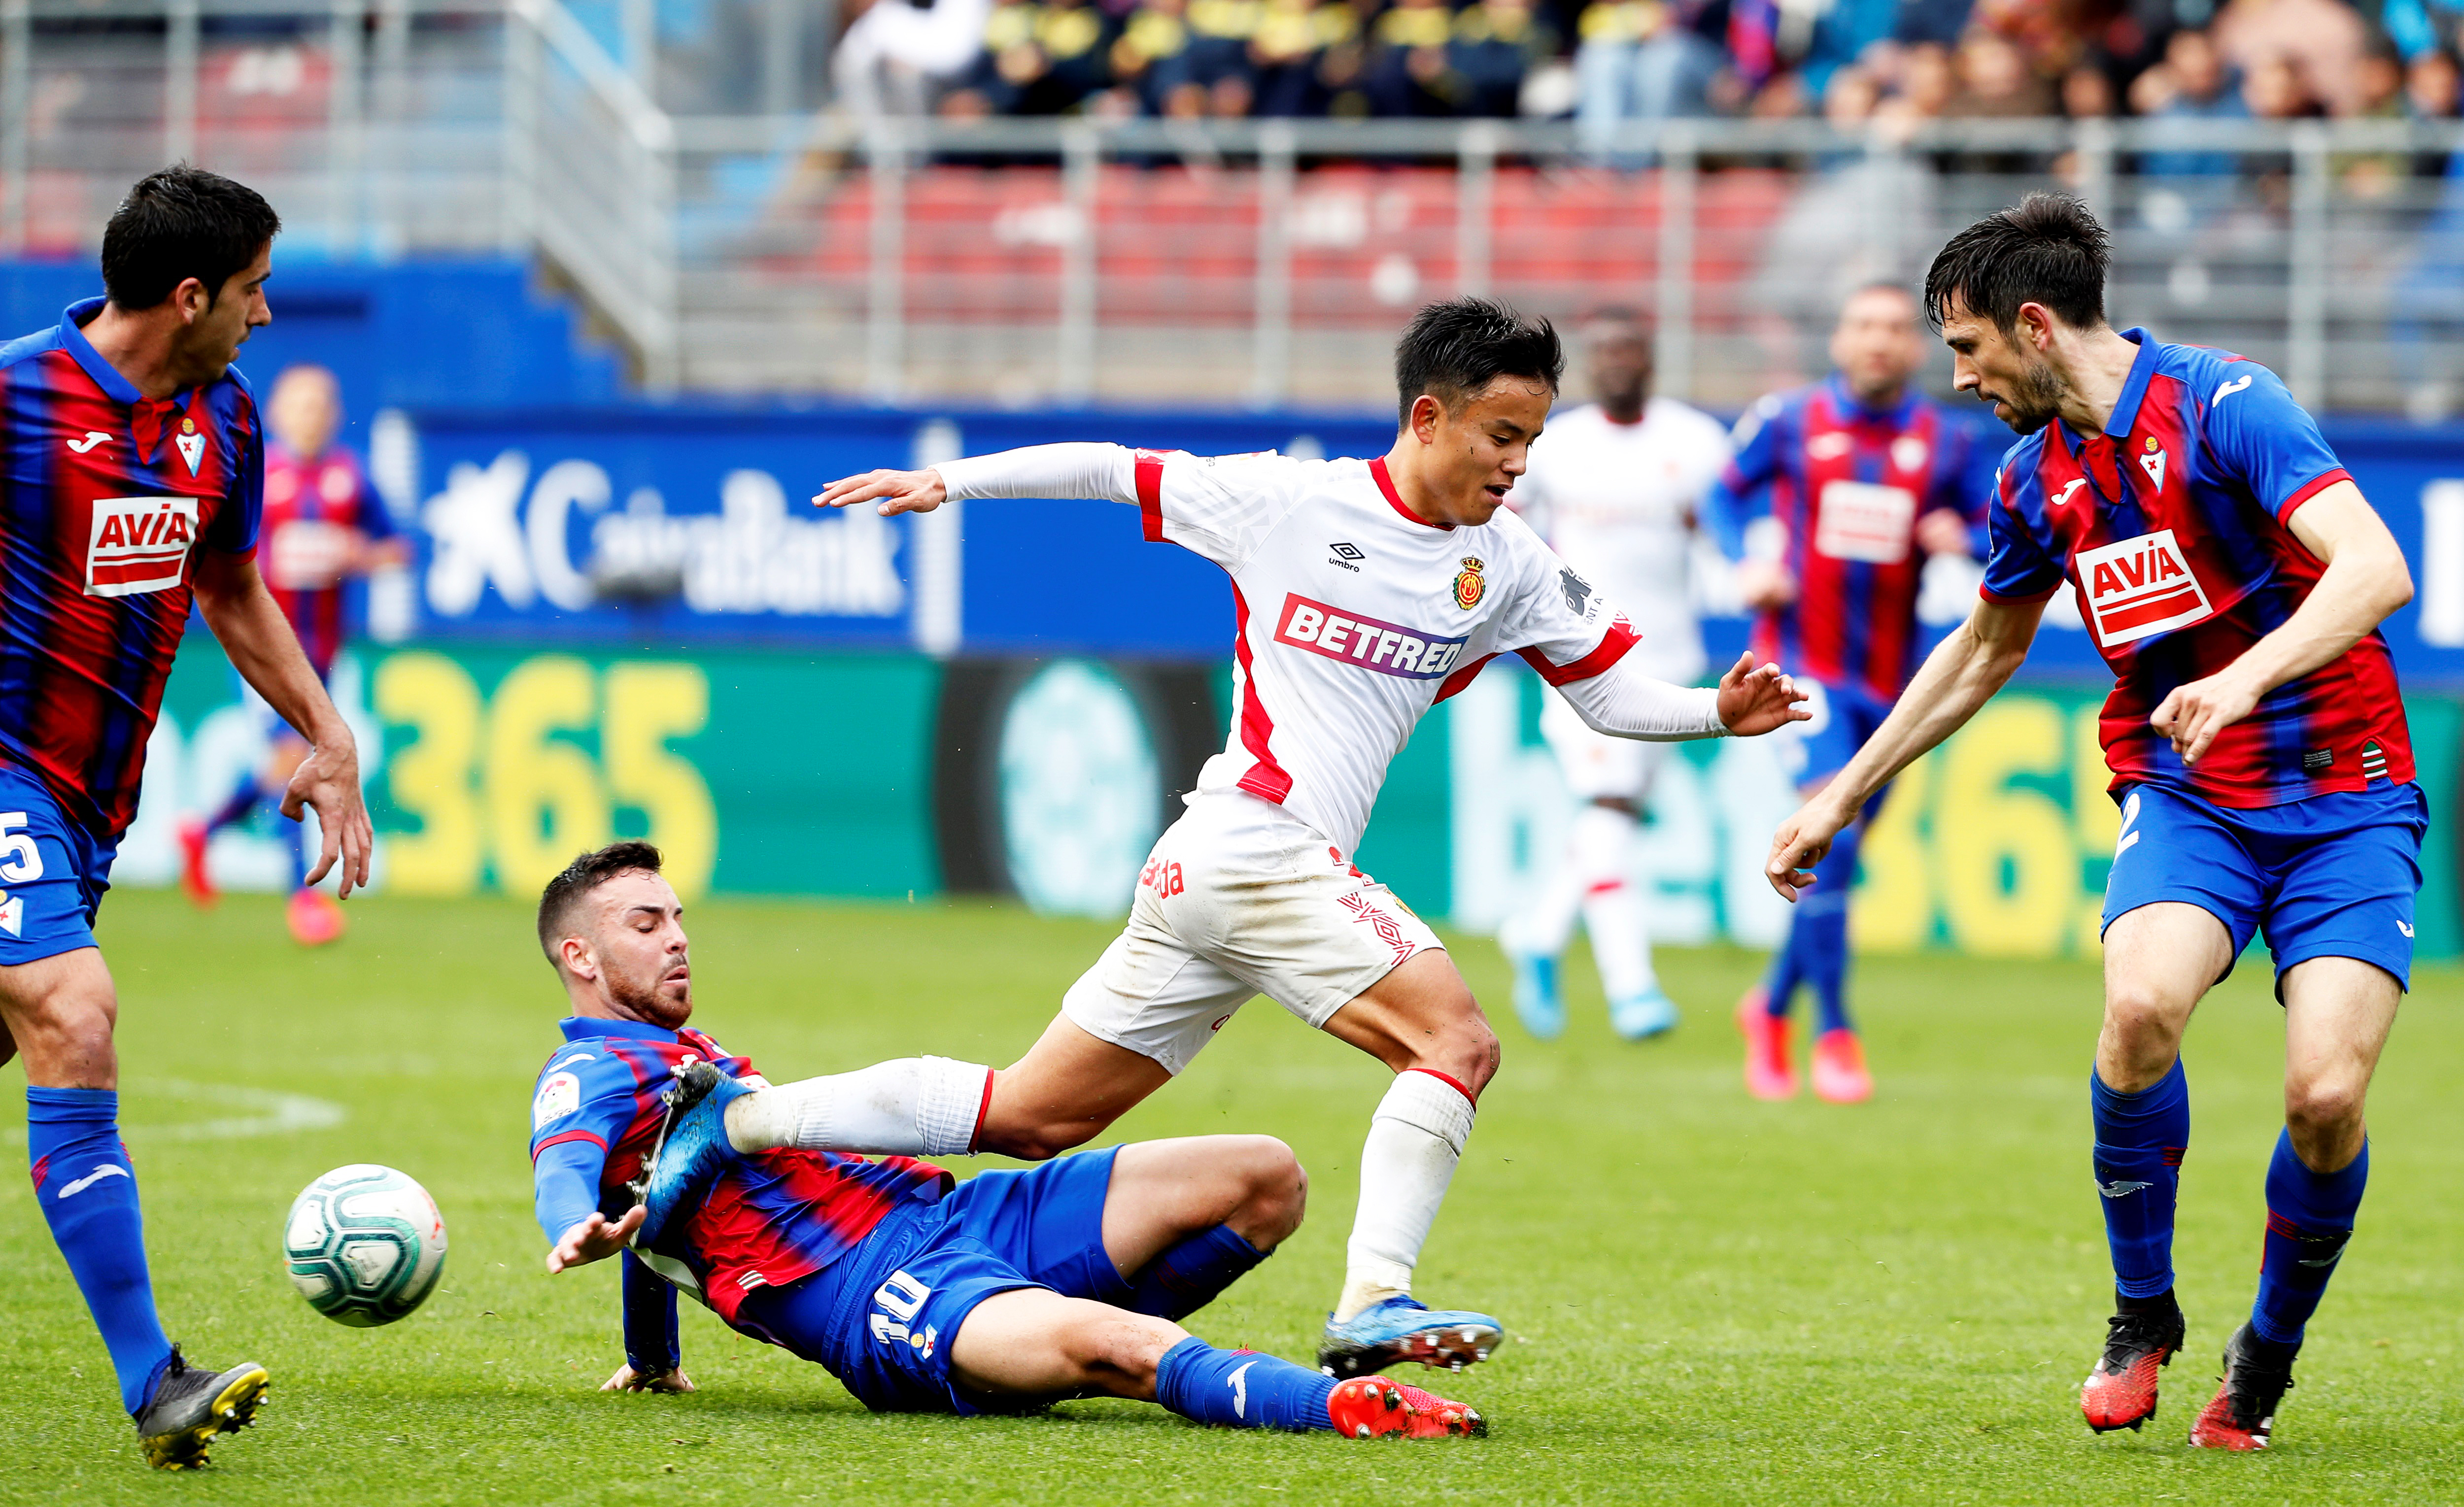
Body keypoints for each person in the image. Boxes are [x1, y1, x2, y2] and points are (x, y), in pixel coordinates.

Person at [795, 297, 1809, 1381]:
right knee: (1455, 1043)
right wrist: (953, 482)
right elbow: (1113, 467)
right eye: (1502, 435)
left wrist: (1716, 711)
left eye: (1532, 440)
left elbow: (1608, 697)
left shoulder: (1505, 561)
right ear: (1429, 417)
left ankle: (739, 1122)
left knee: (1032, 1113)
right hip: (1255, 844)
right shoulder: (1286, 499)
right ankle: (1374, 1296)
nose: (1519, 463)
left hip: (1212, 871)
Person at [1766, 193, 2421, 1451]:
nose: (1957, 380)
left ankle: (2264, 1359)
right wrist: (1839, 794)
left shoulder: (2227, 404)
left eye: (1964, 350)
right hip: (2188, 795)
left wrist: (2239, 679)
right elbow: (1981, 649)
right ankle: (2140, 1314)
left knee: (2324, 1097)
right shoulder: (2035, 479)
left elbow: (2376, 567)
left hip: (2347, 795)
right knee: (2136, 1012)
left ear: (2032, 327)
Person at [528, 841, 1484, 1439]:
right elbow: (572, 1167)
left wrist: (651, 1356)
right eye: (646, 923)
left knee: (1263, 1176)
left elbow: (650, 1209)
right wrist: (571, 1222)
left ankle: (1055, 1340)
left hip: (953, 1214)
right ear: (579, 954)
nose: (678, 938)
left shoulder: (680, 1053)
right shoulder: (595, 1070)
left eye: (678, 918)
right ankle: (1335, 1403)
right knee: (1129, 1342)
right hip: (883, 1294)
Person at [0, 167, 374, 1468]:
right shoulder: (15, 400)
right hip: (6, 781)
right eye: (258, 289)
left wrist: (328, 733)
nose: (268, 317)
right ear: (191, 292)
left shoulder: (222, 412)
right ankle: (153, 1376)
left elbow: (229, 586)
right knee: (75, 1008)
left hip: (92, 802)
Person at [1703, 282, 1991, 1105]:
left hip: (1896, 688)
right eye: (1864, 325)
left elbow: (2001, 525)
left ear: (1916, 347)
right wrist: (1744, 561)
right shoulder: (1790, 419)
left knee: (1841, 855)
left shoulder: (1944, 439)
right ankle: (1833, 1030)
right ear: (1839, 339)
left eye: (1897, 329)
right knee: (1827, 820)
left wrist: (1962, 535)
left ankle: (1767, 1006)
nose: (1879, 341)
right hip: (1806, 667)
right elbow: (1723, 493)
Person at [1496, 307, 1733, 1042]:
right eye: (1603, 352)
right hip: (1579, 655)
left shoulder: (1694, 442)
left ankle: (1536, 932)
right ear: (1587, 365)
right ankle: (1633, 987)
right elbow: (1514, 530)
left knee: (1616, 814)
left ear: (1651, 359)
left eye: (1630, 348)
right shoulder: (1557, 448)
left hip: (1669, 658)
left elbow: (1716, 527)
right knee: (1608, 803)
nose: (1617, 362)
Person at [176, 364, 406, 945]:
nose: (312, 416)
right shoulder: (259, 472)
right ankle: (301, 900)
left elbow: (398, 549)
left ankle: (203, 831)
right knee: (291, 761)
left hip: (322, 655)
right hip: (262, 651)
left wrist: (355, 555)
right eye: (301, 405)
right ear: (276, 414)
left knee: (288, 763)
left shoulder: (350, 477)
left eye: (323, 405)